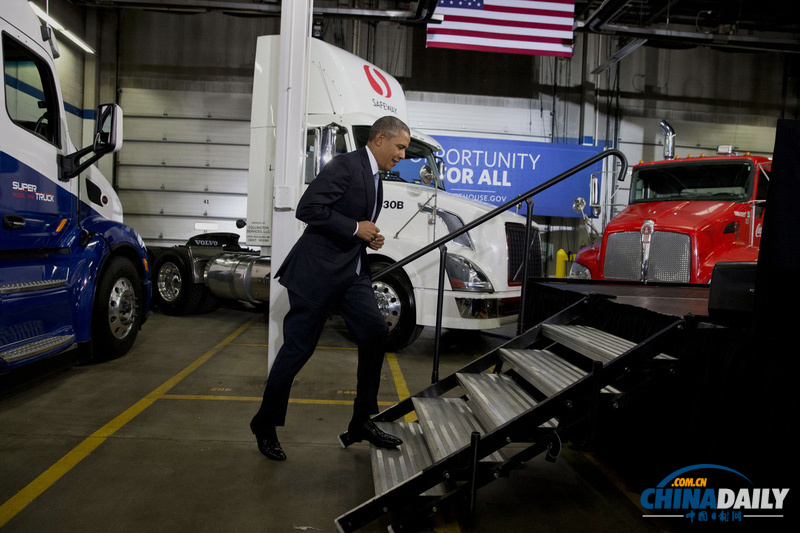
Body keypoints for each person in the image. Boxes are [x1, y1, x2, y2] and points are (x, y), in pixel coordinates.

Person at [249, 116, 410, 461]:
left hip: (351, 274)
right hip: (317, 273)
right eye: (400, 147)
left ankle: (362, 421)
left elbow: (352, 224)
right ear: (380, 139)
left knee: (375, 331)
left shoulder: (374, 175)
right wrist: (355, 228)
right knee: (298, 350)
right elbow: (308, 209)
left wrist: (367, 237)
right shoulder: (345, 165)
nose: (402, 155)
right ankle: (264, 423)